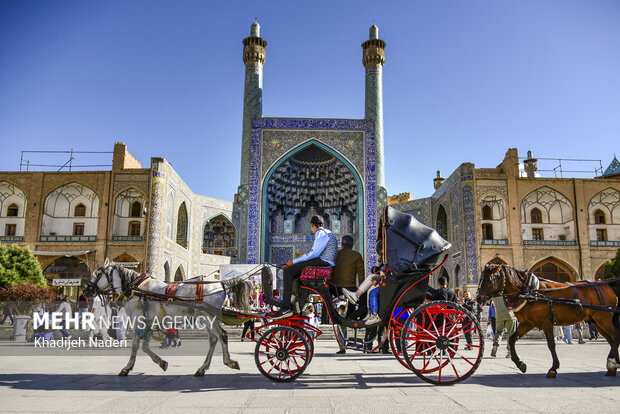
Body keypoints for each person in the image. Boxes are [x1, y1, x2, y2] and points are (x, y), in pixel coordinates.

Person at [272, 215, 338, 319]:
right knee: (295, 273)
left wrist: (293, 262)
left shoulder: (320, 232)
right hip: (326, 262)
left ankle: (286, 308)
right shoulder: (328, 232)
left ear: (313, 225)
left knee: (288, 272)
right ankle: (294, 303)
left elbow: (313, 254)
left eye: (312, 226)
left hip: (323, 262)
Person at [332, 235, 366, 318]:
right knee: (364, 301)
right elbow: (361, 275)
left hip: (335, 289)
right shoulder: (356, 255)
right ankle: (352, 316)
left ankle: (326, 318)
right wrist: (362, 290)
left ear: (342, 244)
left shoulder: (335, 255)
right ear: (352, 245)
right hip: (350, 289)